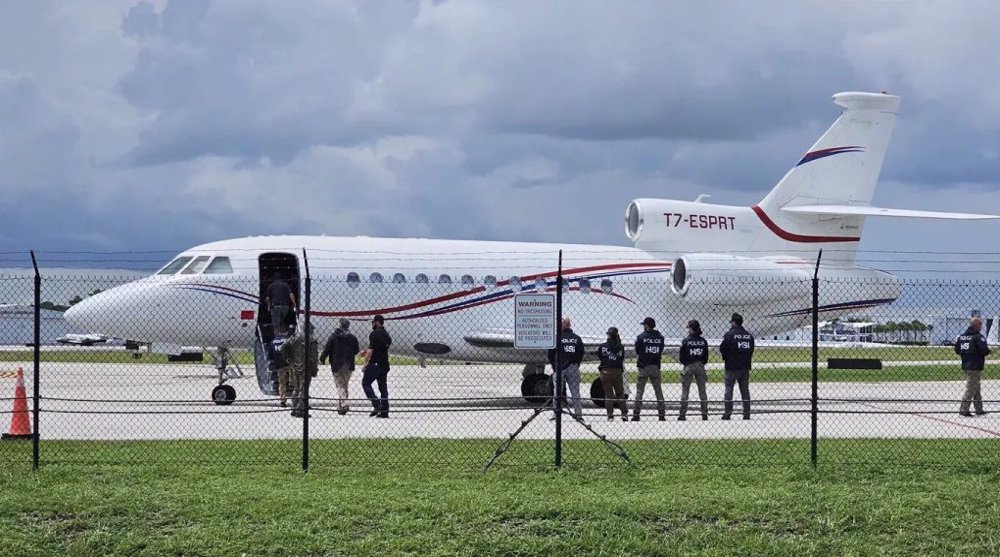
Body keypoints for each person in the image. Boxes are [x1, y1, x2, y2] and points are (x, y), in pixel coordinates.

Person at [320, 318, 361, 415]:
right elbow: (356, 351)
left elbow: (327, 349)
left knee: (340, 386)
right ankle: (341, 407)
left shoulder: (333, 337)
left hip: (336, 364)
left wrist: (322, 358)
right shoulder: (352, 337)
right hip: (349, 364)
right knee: (344, 385)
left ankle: (344, 404)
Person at [548, 318, 585, 420]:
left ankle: (556, 413)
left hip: (559, 367)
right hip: (573, 366)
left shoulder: (556, 338)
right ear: (570, 325)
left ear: (562, 326)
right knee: (575, 391)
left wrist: (554, 366)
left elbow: (550, 354)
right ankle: (578, 414)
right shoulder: (577, 338)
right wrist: (576, 364)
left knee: (557, 391)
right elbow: (581, 352)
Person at [279, 323, 319, 418]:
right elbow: (313, 357)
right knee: (303, 389)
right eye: (312, 330)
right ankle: (300, 410)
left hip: (296, 366)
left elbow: (283, 347)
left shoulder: (295, 338)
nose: (313, 331)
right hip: (306, 367)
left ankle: (294, 408)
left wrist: (289, 359)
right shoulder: (311, 340)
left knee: (296, 388)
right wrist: (314, 369)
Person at [719, 312, 754, 420]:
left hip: (731, 366)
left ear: (733, 322)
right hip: (744, 366)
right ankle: (746, 413)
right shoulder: (748, 335)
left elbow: (722, 348)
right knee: (745, 390)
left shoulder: (729, 335)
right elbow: (751, 350)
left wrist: (726, 357)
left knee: (729, 389)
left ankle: (728, 412)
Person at [954, 316, 990, 417]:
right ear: (977, 325)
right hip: (975, 365)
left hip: (966, 364)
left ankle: (979, 408)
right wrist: (988, 351)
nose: (981, 327)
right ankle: (964, 409)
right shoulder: (978, 337)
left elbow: (957, 350)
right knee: (971, 388)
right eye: (980, 325)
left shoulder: (962, 337)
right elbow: (984, 350)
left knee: (976, 387)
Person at [632, 317, 666, 421]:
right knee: (658, 391)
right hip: (655, 365)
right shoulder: (660, 338)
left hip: (643, 366)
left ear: (647, 325)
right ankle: (661, 414)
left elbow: (637, 350)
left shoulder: (641, 337)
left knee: (639, 392)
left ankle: (636, 414)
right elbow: (661, 349)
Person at [361, 314, 392, 418]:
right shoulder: (387, 335)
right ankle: (385, 410)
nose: (372, 324)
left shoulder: (374, 334)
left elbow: (371, 351)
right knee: (383, 388)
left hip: (375, 364)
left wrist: (365, 364)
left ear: (377, 322)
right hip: (384, 365)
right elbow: (379, 349)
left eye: (373, 322)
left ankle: (377, 404)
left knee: (366, 384)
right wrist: (367, 351)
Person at [678, 319, 709, 421]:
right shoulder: (703, 341)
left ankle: (682, 414)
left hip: (688, 366)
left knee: (685, 391)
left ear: (691, 328)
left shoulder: (686, 341)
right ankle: (704, 413)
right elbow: (705, 357)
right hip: (700, 365)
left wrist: (686, 363)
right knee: (702, 391)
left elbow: (681, 356)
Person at [595, 326, 628, 421]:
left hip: (605, 371)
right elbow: (621, 358)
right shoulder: (620, 347)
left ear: (608, 335)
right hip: (617, 371)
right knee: (620, 393)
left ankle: (610, 415)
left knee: (608, 394)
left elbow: (600, 356)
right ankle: (624, 414)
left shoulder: (602, 346)